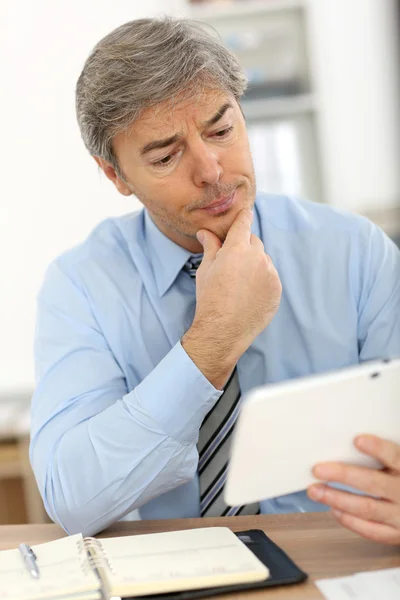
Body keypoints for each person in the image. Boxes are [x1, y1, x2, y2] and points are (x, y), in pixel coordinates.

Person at [30, 17, 400, 542]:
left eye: (222, 130)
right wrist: (212, 344)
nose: (211, 170)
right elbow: (73, 502)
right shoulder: (82, 286)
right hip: (173, 576)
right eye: (166, 155)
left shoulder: (356, 254)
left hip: (341, 563)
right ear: (116, 175)